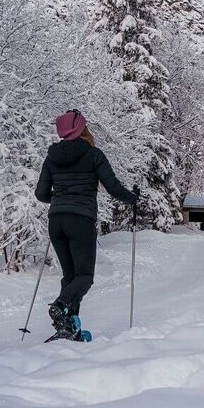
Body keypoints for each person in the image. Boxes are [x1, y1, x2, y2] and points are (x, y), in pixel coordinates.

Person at [35, 110, 136, 339]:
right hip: (81, 220)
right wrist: (133, 199)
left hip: (56, 220)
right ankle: (60, 307)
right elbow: (113, 187)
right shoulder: (93, 155)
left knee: (70, 276)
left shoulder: (51, 157)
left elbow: (41, 194)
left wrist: (61, 199)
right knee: (84, 276)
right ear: (83, 130)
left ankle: (68, 327)